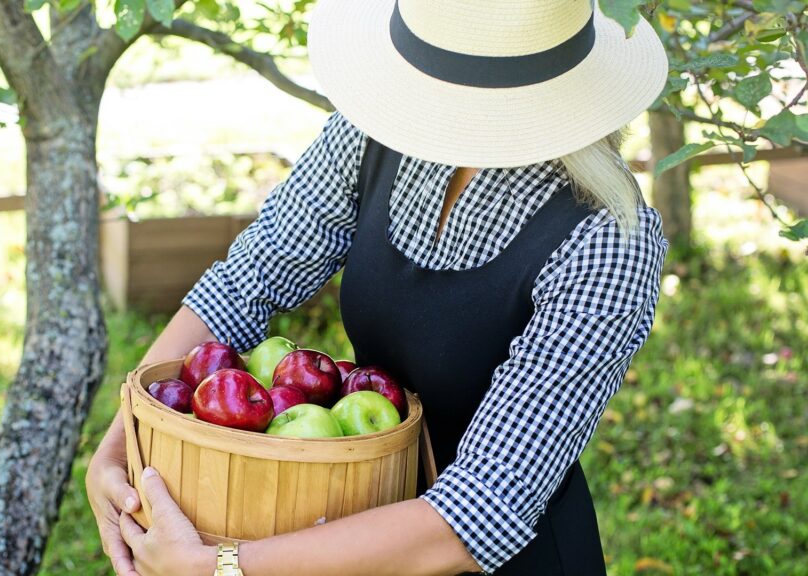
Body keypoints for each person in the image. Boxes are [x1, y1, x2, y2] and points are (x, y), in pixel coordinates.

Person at [86, 0, 671, 573]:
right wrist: (123, 441)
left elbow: (481, 512)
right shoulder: (379, 132)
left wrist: (220, 567)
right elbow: (247, 283)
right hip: (342, 523)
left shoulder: (608, 238)